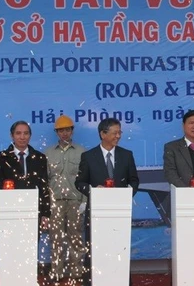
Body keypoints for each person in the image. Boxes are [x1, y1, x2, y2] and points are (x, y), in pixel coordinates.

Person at [75, 118, 139, 286]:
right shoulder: (88, 156)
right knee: (94, 251)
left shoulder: (127, 155)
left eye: (120, 133)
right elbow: (79, 182)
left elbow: (134, 181)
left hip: (120, 213)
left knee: (120, 250)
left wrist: (125, 195)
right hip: (96, 213)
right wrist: (94, 190)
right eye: (114, 133)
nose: (118, 136)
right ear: (102, 134)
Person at [45, 115, 86, 283]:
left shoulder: (82, 152)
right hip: (55, 201)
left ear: (72, 131)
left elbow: (85, 178)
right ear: (56, 132)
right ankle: (57, 271)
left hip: (75, 201)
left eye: (67, 129)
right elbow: (45, 180)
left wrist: (85, 200)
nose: (64, 133)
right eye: (61, 130)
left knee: (75, 237)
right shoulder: (47, 153)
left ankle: (76, 271)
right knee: (55, 238)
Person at [0, 120, 50, 228]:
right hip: (9, 211)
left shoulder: (40, 158)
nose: (22, 137)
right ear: (12, 136)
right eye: (18, 133)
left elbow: (44, 187)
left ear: (30, 136)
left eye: (26, 133)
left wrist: (45, 213)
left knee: (32, 243)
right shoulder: (0, 158)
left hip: (34, 210)